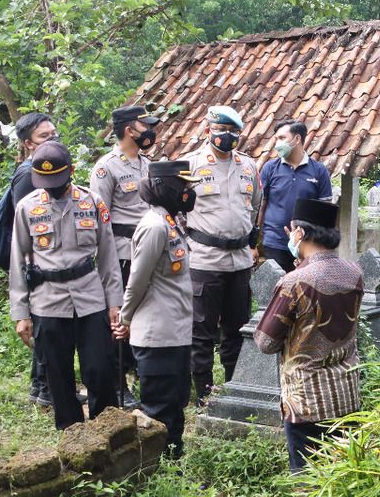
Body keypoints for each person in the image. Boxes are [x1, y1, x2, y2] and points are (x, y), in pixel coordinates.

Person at [254, 198, 362, 497]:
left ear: (299, 233)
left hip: (306, 399)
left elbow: (266, 341)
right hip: (347, 393)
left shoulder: (294, 282)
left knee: (313, 483)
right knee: (345, 475)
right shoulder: (354, 273)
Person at [8, 141, 124, 430]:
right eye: (45, 182)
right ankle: (72, 435)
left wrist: (114, 304)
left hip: (89, 297)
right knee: (58, 375)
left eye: (57, 181)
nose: (51, 187)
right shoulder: (28, 207)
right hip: (47, 302)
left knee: (99, 368)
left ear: (71, 171)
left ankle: (108, 431)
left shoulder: (92, 203)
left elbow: (108, 257)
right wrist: (21, 313)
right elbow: (18, 262)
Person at [111, 160, 199, 458]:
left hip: (176, 331)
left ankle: (175, 461)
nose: (189, 193)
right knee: (160, 408)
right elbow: (137, 280)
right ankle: (158, 469)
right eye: (184, 187)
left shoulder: (171, 222)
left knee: (176, 404)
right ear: (168, 189)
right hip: (157, 334)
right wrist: (125, 318)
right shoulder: (154, 226)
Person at [181, 105, 262, 404]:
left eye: (233, 132)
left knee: (237, 328)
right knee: (201, 331)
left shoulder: (249, 167)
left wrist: (252, 244)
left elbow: (255, 206)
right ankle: (203, 393)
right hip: (203, 259)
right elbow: (178, 212)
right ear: (208, 131)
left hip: (239, 260)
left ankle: (233, 387)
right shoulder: (190, 165)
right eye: (222, 130)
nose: (227, 136)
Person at [91, 104, 161, 409]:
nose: (149, 130)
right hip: (122, 252)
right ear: (129, 130)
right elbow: (99, 218)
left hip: (150, 251)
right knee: (120, 318)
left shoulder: (148, 164)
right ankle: (118, 383)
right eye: (144, 125)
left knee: (146, 315)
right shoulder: (106, 168)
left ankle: (142, 376)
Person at [0, 111, 59, 406]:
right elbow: (27, 223)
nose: (52, 139)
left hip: (43, 259)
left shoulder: (46, 167)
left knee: (48, 323)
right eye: (44, 136)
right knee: (45, 324)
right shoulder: (27, 173)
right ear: (28, 143)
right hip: (35, 262)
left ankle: (39, 388)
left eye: (53, 133)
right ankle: (46, 390)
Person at [258, 119, 333, 273]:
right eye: (276, 139)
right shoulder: (270, 168)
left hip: (307, 246)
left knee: (303, 293)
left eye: (282, 138)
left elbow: (326, 213)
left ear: (297, 139)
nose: (277, 143)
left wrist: (321, 245)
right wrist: (254, 243)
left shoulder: (319, 171)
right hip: (274, 243)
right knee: (275, 292)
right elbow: (260, 205)